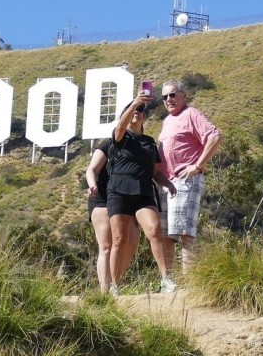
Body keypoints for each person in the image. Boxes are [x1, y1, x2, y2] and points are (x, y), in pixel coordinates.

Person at [104, 92, 177, 293]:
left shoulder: (149, 142)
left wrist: (167, 183)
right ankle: (115, 286)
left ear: (145, 117)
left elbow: (156, 171)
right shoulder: (120, 136)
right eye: (134, 110)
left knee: (154, 230)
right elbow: (119, 127)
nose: (137, 113)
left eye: (141, 111)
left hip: (143, 192)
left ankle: (165, 279)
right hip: (119, 191)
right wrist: (136, 101)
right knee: (120, 239)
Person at [156, 79, 221, 275]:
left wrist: (197, 165)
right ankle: (169, 282)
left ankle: (191, 283)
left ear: (184, 96)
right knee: (167, 235)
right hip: (167, 184)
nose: (169, 99)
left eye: (173, 94)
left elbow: (215, 136)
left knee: (185, 233)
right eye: (165, 96)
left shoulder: (191, 114)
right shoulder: (167, 121)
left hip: (185, 181)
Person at [83, 146, 135, 294]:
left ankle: (115, 284)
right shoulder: (109, 144)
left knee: (130, 244)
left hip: (126, 200)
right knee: (106, 247)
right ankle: (104, 292)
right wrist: (92, 184)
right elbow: (92, 169)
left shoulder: (140, 145)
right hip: (102, 199)